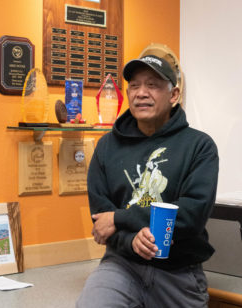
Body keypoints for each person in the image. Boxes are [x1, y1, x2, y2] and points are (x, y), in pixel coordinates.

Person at [76, 50, 219, 308]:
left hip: (179, 272)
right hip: (121, 265)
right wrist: (131, 241)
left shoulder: (200, 146)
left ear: (173, 95)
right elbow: (101, 221)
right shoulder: (107, 146)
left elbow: (191, 214)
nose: (141, 93)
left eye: (152, 85)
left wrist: (121, 218)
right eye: (134, 86)